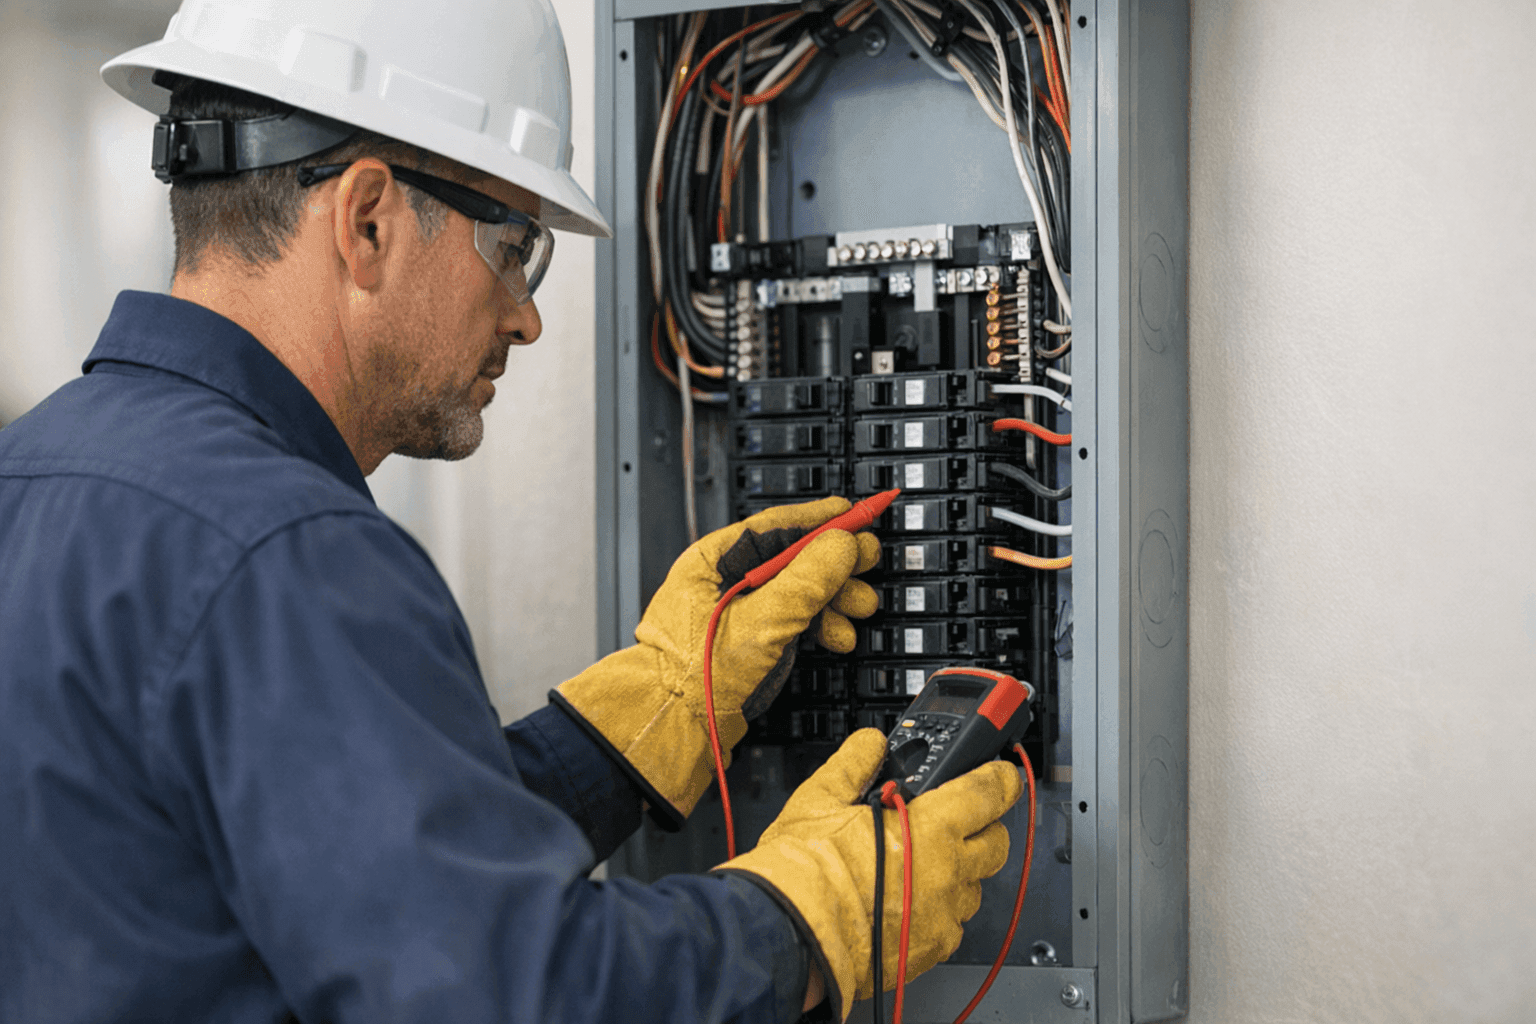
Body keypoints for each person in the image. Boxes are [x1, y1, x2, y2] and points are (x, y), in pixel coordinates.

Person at [0, 1, 1023, 1021]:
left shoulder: (38, 474)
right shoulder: (287, 557)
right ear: (366, 221)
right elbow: (507, 995)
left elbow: (354, 887)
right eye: (513, 248)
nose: (526, 317)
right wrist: (807, 917)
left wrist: (641, 715)